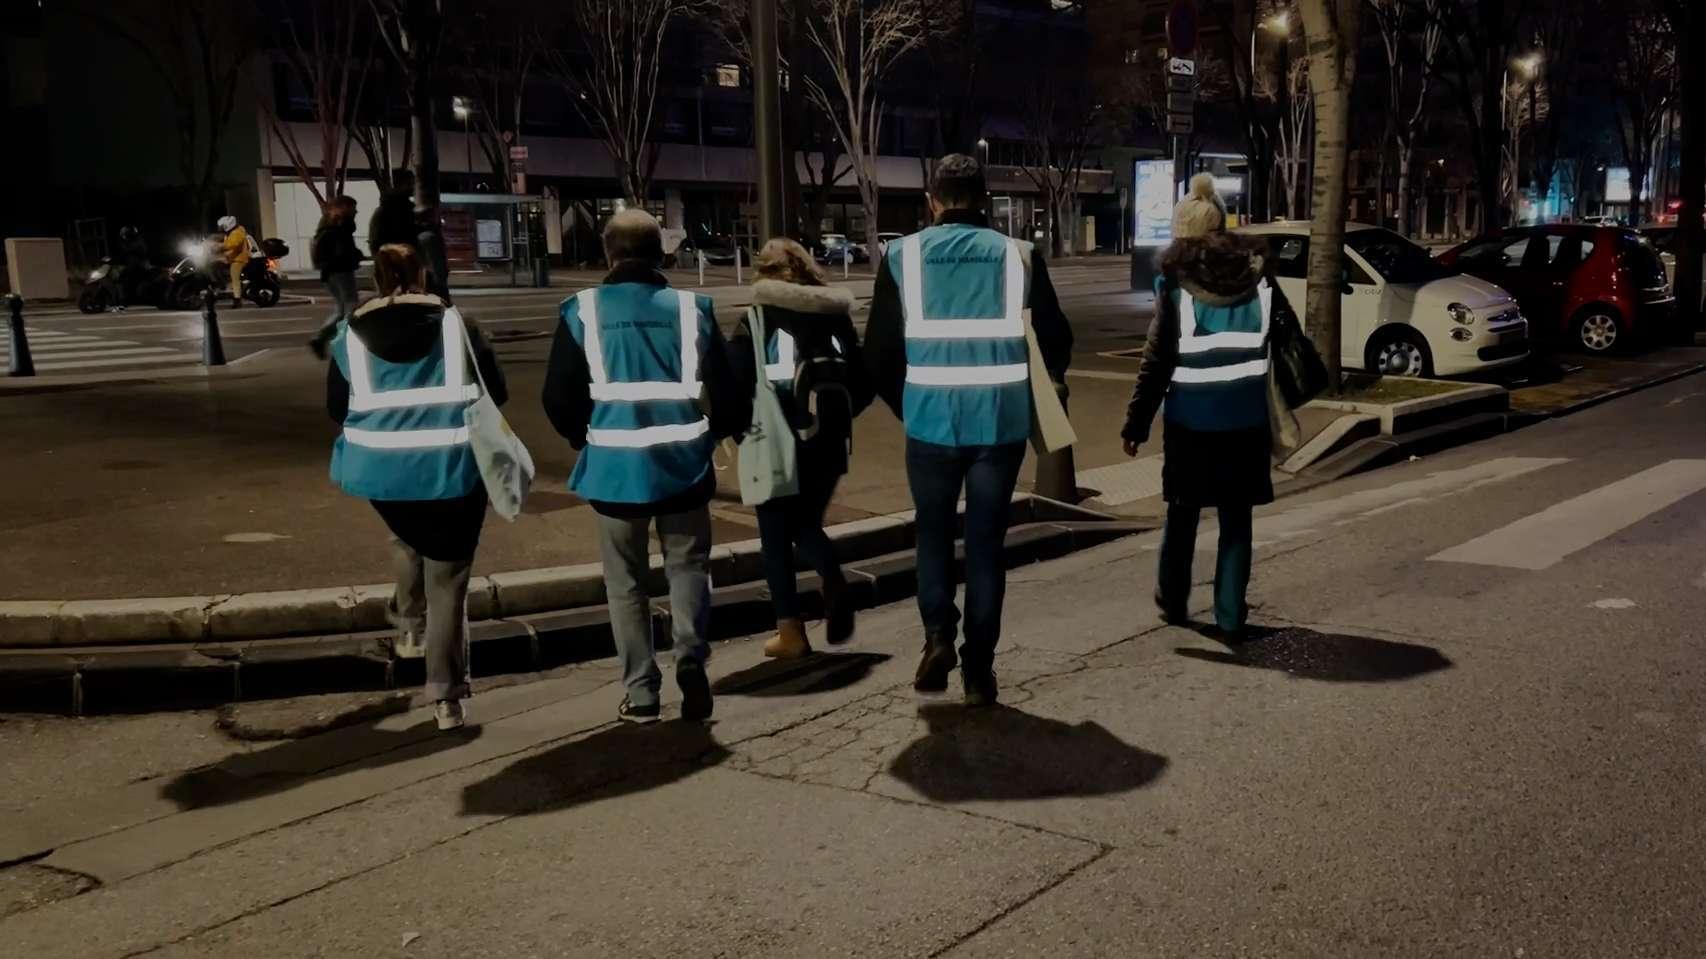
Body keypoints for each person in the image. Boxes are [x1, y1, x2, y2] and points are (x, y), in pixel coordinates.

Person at [863, 154, 1073, 707]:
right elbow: (1057, 339)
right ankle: (979, 668)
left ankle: (937, 636)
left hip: (930, 422)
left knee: (932, 534)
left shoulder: (903, 256)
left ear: (933, 200)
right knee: (985, 545)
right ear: (983, 200)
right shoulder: (1018, 255)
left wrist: (909, 404)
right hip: (998, 425)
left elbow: (880, 353)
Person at [541, 209, 745, 725]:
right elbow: (727, 392)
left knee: (625, 583)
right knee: (688, 566)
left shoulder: (581, 310)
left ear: (609, 253)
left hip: (613, 470)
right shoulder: (690, 308)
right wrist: (715, 431)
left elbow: (558, 395)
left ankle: (642, 692)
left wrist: (581, 435)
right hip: (683, 465)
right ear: (661, 253)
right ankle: (692, 658)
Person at [325, 244, 507, 731]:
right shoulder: (458, 326)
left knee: (408, 536)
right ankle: (446, 698)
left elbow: (336, 408)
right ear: (423, 273)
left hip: (381, 473)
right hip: (451, 468)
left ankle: (408, 627)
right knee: (448, 581)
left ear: (377, 277)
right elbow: (498, 392)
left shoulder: (348, 336)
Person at [1120, 173, 1275, 642]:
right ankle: (1230, 614)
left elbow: (1157, 359)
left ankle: (1173, 600)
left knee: (1183, 511)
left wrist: (1137, 422)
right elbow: (1283, 340)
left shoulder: (1173, 285)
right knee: (1236, 519)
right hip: (1247, 419)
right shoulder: (1259, 276)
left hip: (1191, 422)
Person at [727, 238, 872, 660]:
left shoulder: (757, 318)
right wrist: (836, 421)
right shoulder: (835, 319)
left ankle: (792, 628)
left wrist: (742, 431)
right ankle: (831, 581)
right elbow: (863, 382)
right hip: (829, 441)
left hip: (776, 438)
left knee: (776, 534)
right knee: (806, 521)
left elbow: (734, 384)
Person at [310, 196, 363, 359]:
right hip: (340, 271)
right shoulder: (339, 227)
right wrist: (355, 256)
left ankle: (321, 338)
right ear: (342, 207)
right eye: (352, 207)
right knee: (350, 307)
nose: (356, 211)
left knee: (341, 309)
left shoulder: (328, 225)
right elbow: (342, 251)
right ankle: (346, 341)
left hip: (331, 272)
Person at [216, 215, 250, 308]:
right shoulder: (231, 233)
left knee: (235, 278)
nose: (221, 229)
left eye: (222, 226)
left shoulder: (237, 232)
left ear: (228, 225)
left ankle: (237, 300)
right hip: (232, 257)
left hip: (238, 259)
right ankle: (222, 286)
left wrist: (218, 246)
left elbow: (232, 244)